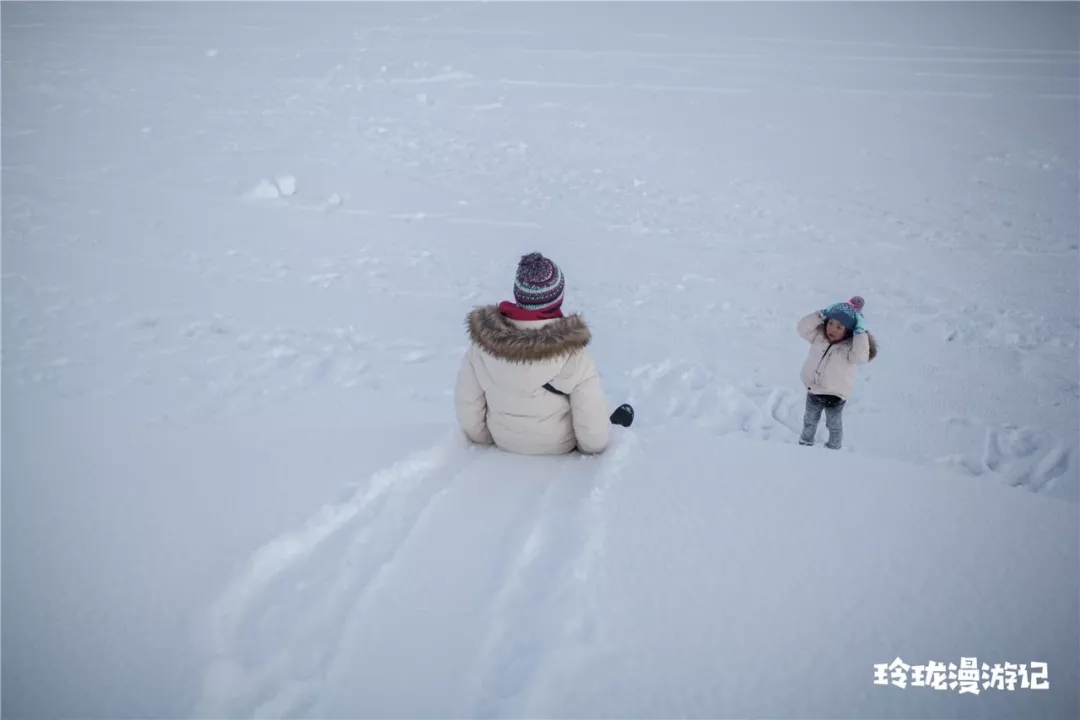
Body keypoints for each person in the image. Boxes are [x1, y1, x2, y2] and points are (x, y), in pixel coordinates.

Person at [454, 252, 627, 456]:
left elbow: (467, 402)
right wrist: (591, 447)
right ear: (557, 299)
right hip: (559, 444)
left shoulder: (484, 345)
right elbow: (589, 417)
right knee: (596, 409)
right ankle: (614, 424)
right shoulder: (573, 353)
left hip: (504, 439)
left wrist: (483, 438)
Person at [795, 296, 878, 449]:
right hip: (814, 389)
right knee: (809, 420)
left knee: (833, 424)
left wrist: (860, 333)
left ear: (849, 332)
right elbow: (802, 328)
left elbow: (861, 358)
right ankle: (805, 444)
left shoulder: (851, 347)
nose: (832, 329)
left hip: (835, 395)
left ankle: (834, 447)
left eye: (839, 327)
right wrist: (821, 314)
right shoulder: (819, 336)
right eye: (831, 323)